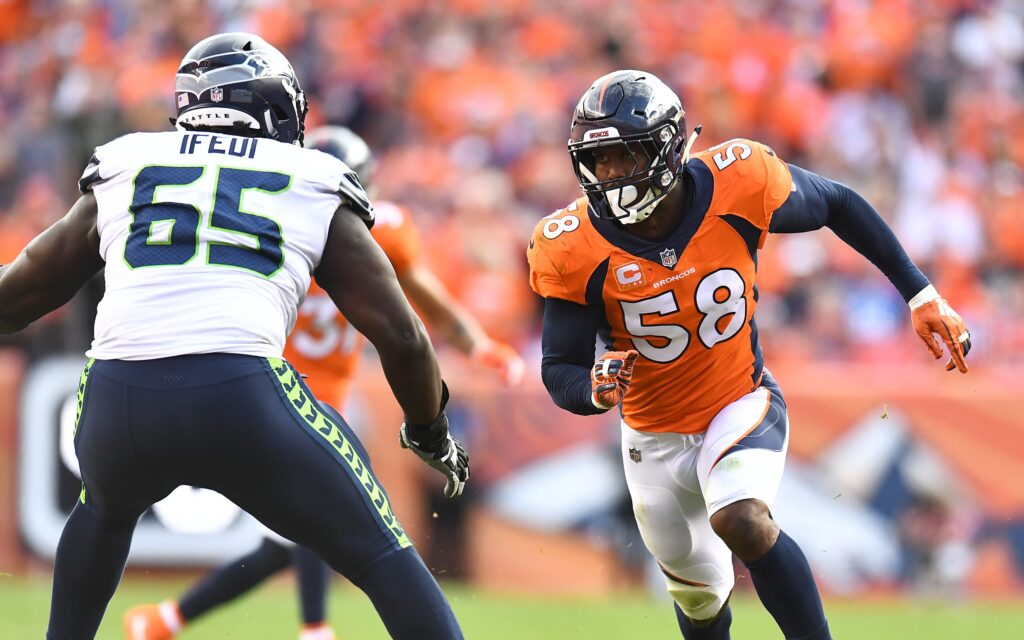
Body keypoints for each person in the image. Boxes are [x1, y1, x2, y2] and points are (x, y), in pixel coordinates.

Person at [0, 33, 470, 640]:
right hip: (239, 392)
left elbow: (20, 296)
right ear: (277, 110)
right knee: (381, 553)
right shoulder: (311, 176)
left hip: (117, 401)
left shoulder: (129, 160)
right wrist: (429, 431)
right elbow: (402, 337)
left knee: (104, 509)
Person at [527, 70, 972, 640]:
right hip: (651, 436)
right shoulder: (569, 244)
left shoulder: (740, 179)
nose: (610, 175)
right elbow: (557, 365)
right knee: (700, 600)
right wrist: (591, 391)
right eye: (600, 160)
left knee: (741, 519)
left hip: (738, 402)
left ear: (666, 145)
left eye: (625, 156)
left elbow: (837, 202)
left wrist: (920, 292)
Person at [122, 125, 523, 640]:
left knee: (290, 534)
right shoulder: (268, 227)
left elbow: (427, 300)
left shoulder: (386, 232)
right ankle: (314, 628)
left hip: (326, 394)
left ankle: (164, 622)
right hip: (272, 388)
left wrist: (477, 344)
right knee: (332, 506)